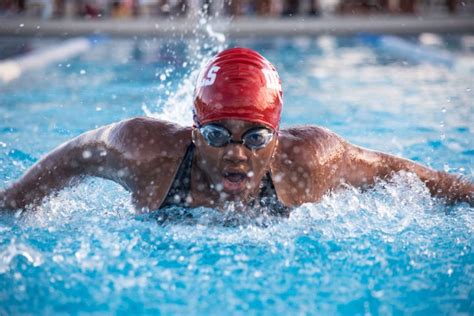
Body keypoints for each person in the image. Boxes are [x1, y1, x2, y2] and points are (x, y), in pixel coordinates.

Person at [0, 48, 472, 215]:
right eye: (218, 135)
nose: (236, 154)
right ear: (194, 130)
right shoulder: (145, 151)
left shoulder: (307, 161)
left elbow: (401, 172)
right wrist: (15, 198)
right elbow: (73, 154)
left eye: (255, 138)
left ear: (277, 138)